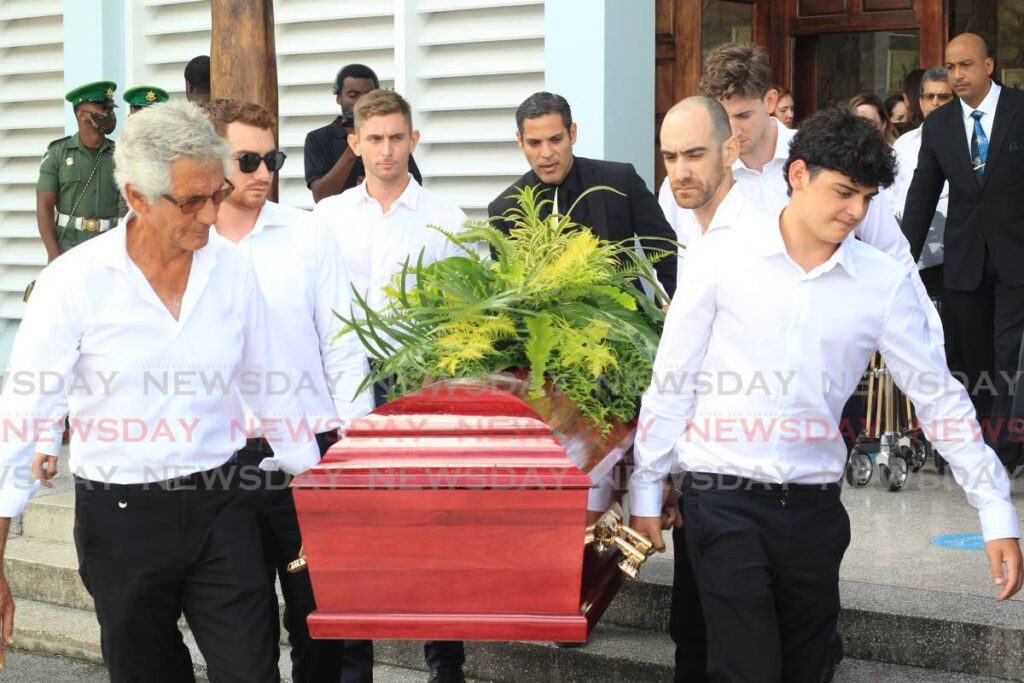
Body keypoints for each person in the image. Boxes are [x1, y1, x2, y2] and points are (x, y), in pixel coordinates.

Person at [631, 106, 1022, 683]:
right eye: (843, 192)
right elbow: (674, 376)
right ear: (797, 176)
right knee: (747, 668)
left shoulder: (881, 283)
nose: (855, 212)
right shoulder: (722, 254)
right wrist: (646, 485)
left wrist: (994, 508)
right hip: (722, 499)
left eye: (867, 198)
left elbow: (937, 397)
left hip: (814, 512)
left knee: (808, 668)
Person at [0, 100, 322, 681]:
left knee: (252, 670)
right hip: (121, 515)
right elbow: (23, 413)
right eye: (191, 200)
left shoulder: (230, 267)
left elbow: (270, 380)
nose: (209, 213)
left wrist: (315, 481)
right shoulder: (73, 282)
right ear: (136, 198)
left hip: (224, 500)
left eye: (215, 194)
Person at [205, 99, 375, 683]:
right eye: (247, 159)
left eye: (271, 158)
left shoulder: (307, 232)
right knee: (240, 634)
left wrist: (354, 452)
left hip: (311, 454)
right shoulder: (189, 246)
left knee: (323, 623)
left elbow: (344, 344)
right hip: (221, 464)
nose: (264, 172)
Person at [312, 88, 471, 683]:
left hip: (419, 389)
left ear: (413, 140)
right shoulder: (327, 219)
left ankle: (445, 663)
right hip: (343, 390)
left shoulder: (446, 220)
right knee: (353, 536)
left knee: (435, 530)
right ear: (353, 143)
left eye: (396, 137)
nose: (386, 150)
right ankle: (354, 667)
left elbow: (465, 317)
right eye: (374, 139)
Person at [659, 43, 941, 349]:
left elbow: (892, 251)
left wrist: (931, 342)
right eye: (723, 117)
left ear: (769, 101)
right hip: (732, 354)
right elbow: (680, 270)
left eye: (743, 115)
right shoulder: (696, 175)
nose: (732, 129)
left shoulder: (825, 154)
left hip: (829, 345)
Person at [658, 95, 756, 683]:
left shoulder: (758, 231)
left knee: (728, 639)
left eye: (694, 155)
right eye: (669, 157)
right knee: (690, 629)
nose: (679, 171)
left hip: (746, 472)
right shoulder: (680, 223)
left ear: (730, 149)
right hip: (697, 465)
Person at [903, 33, 1024, 471]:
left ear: (988, 66)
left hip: (1015, 260)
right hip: (963, 261)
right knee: (971, 358)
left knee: (1010, 355)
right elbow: (921, 196)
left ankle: (1005, 452)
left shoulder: (1019, 109)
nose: (956, 76)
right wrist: (901, 258)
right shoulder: (939, 125)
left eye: (965, 66)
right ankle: (977, 445)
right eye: (951, 67)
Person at [488, 91, 678, 298]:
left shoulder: (621, 180)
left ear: (572, 133)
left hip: (627, 322)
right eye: (535, 143)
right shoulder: (504, 210)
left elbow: (666, 254)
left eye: (555, 139)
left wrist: (676, 314)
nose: (546, 153)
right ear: (520, 140)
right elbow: (507, 293)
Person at [304, 64, 422, 203]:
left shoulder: (390, 134)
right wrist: (352, 151)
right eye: (353, 95)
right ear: (339, 97)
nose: (360, 102)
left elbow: (415, 185)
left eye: (368, 95)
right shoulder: (318, 139)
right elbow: (321, 196)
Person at [36, 81, 126, 260]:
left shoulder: (120, 155)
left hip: (108, 250)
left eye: (110, 109)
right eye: (103, 109)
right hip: (68, 249)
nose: (109, 114)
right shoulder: (57, 154)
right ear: (83, 115)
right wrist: (54, 257)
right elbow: (44, 207)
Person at [889, 66, 955, 299]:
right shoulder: (904, 145)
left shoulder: (971, 142)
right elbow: (891, 197)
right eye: (929, 96)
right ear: (921, 100)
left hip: (957, 255)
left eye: (943, 96)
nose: (935, 103)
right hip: (915, 255)